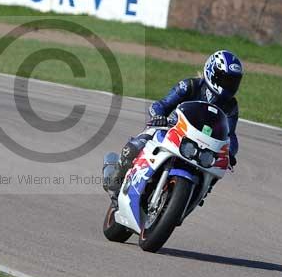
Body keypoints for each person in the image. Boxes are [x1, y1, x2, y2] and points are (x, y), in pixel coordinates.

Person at [103, 50, 243, 195]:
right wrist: (159, 117)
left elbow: (231, 134)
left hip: (202, 144)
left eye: (233, 81)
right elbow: (161, 105)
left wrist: (230, 153)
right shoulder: (190, 85)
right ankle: (115, 179)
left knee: (215, 170)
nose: (229, 85)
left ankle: (197, 194)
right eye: (225, 79)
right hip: (174, 129)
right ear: (211, 72)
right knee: (135, 146)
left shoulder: (231, 106)